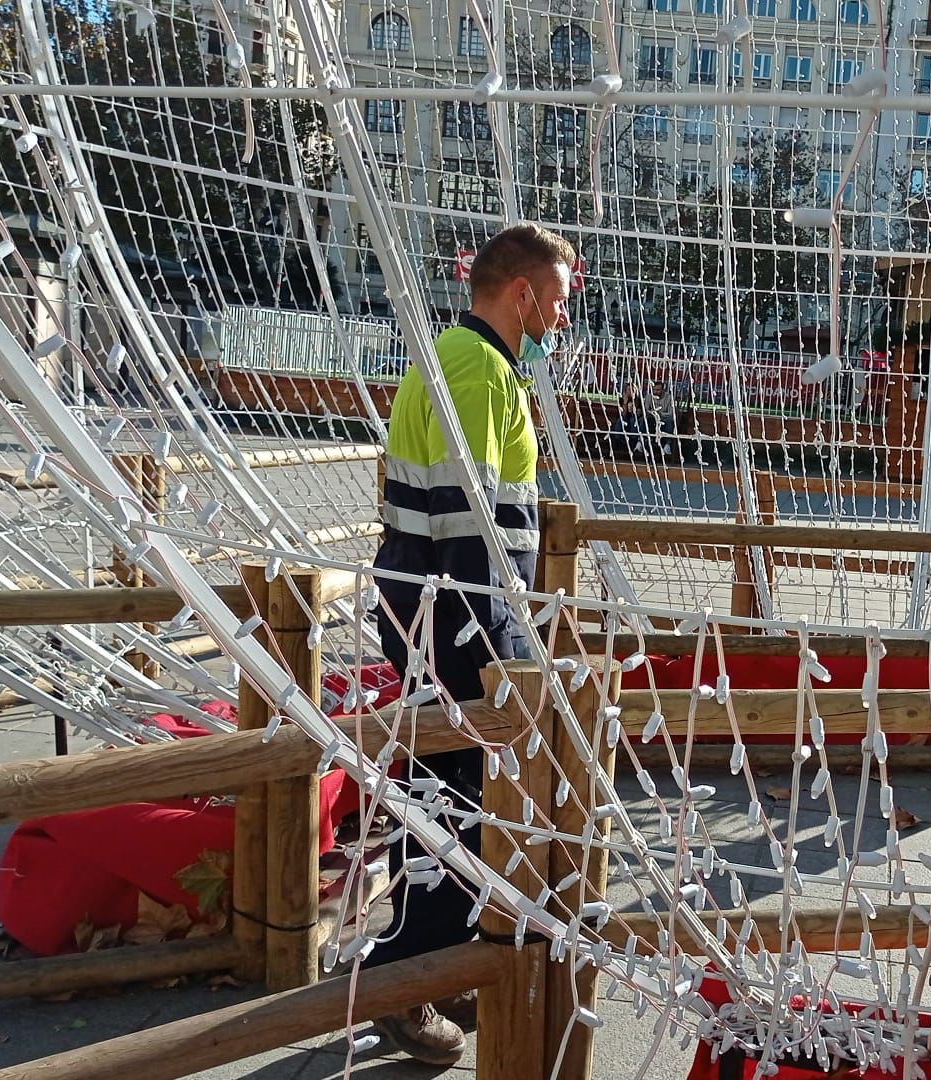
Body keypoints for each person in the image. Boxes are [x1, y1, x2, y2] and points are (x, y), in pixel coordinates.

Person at [365, 223, 574, 1063]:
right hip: (454, 613)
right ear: (521, 292)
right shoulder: (478, 369)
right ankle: (405, 977)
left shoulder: (461, 356)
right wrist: (490, 644)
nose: (563, 311)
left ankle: (437, 966)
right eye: (556, 294)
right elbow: (471, 524)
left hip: (438, 608)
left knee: (447, 788)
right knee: (456, 794)